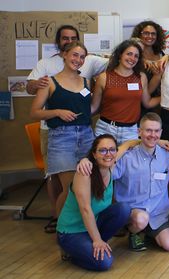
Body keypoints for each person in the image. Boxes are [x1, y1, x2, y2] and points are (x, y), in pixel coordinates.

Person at [27, 25, 108, 233]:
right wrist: (57, 112)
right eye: (74, 55)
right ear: (64, 55)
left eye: (82, 57)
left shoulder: (86, 81)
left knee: (86, 184)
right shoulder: (49, 82)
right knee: (72, 186)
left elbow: (89, 109)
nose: (78, 60)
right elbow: (34, 112)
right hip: (61, 138)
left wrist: (100, 96)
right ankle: (63, 229)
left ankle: (81, 226)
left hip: (86, 135)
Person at [78, 113, 169, 252]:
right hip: (134, 212)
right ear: (139, 131)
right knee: (141, 219)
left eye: (156, 131)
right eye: (148, 130)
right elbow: (104, 169)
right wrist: (86, 160)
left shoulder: (167, 153)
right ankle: (134, 232)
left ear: (161, 132)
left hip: (158, 214)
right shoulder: (126, 156)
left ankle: (148, 233)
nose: (152, 135)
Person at [57, 134, 130, 271]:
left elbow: (128, 144)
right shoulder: (85, 173)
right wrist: (97, 240)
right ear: (94, 154)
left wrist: (159, 141)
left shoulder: (111, 165)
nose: (108, 154)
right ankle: (72, 252)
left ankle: (94, 244)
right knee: (105, 263)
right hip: (72, 232)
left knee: (124, 209)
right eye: (102, 150)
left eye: (112, 149)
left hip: (92, 224)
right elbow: (85, 209)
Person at [91, 39, 159, 143]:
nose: (132, 58)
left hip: (130, 131)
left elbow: (147, 103)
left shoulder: (141, 77)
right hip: (105, 129)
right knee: (104, 159)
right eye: (129, 54)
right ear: (120, 55)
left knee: (129, 159)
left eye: (136, 56)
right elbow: (94, 107)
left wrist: (168, 97)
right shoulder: (104, 77)